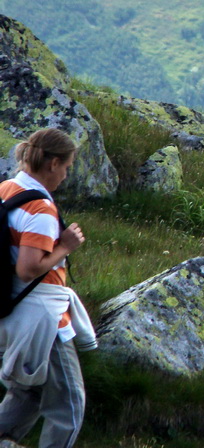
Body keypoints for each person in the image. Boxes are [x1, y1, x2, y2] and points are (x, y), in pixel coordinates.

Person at [0, 128, 96, 448]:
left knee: (28, 392)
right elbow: (28, 269)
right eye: (67, 167)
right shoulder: (40, 208)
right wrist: (65, 246)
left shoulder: (5, 190)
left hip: (10, 308)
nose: (66, 176)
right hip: (42, 319)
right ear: (53, 163)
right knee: (69, 404)